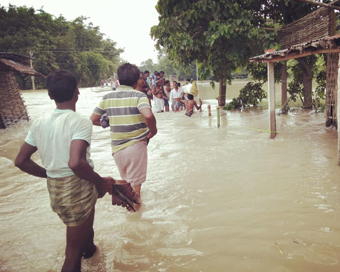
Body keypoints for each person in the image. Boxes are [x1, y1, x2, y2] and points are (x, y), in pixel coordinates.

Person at [14, 69, 138, 272]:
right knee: (72, 254)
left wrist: (49, 173)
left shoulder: (39, 123)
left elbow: (21, 161)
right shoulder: (79, 122)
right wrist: (100, 182)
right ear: (76, 92)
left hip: (56, 189)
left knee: (85, 237)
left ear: (49, 95)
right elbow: (76, 163)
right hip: (77, 187)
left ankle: (94, 259)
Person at [90, 63, 157, 212]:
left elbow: (93, 119)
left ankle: (127, 207)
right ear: (136, 80)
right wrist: (153, 131)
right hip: (136, 146)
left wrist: (110, 122)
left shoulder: (107, 97)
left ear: (119, 79)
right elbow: (148, 115)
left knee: (128, 184)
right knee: (135, 192)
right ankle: (136, 224)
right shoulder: (139, 96)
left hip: (117, 149)